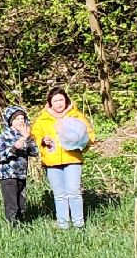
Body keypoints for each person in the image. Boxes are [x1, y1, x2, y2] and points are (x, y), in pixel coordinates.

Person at [31, 90, 95, 229]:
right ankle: (63, 225)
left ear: (66, 100)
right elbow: (35, 137)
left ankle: (79, 224)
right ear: (50, 103)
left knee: (74, 191)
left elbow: (89, 135)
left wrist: (79, 142)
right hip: (52, 161)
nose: (59, 103)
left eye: (61, 100)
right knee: (59, 195)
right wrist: (43, 141)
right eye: (55, 101)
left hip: (72, 158)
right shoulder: (42, 119)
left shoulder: (76, 115)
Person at [0, 106, 36, 226]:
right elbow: (0, 155)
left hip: (21, 175)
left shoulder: (25, 135)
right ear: (10, 121)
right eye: (17, 119)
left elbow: (34, 152)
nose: (21, 121)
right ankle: (12, 226)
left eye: (22, 118)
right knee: (12, 204)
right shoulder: (3, 136)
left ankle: (22, 225)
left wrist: (28, 138)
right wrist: (14, 148)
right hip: (7, 175)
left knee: (22, 203)